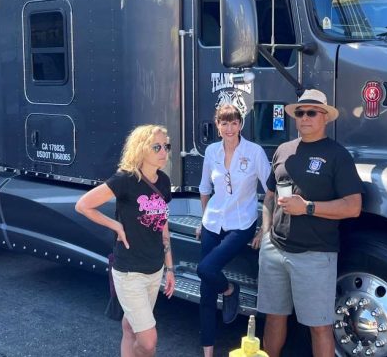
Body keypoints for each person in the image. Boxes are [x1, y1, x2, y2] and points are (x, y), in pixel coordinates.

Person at [254, 89, 363, 357]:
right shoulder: (283, 150)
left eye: (311, 112)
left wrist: (308, 208)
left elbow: (353, 206)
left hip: (315, 253)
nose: (304, 118)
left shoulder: (337, 155)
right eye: (300, 113)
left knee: (319, 326)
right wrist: (265, 232)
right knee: (274, 317)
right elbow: (269, 196)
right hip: (275, 249)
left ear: (324, 117)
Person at [75, 125, 175, 357]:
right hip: (130, 271)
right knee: (149, 341)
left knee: (131, 327)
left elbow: (163, 226)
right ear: (141, 149)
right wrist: (115, 225)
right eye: (157, 146)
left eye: (166, 146)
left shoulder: (163, 181)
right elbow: (83, 205)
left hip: (155, 269)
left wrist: (170, 268)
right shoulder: (125, 180)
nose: (164, 151)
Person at [197, 103, 271, 357]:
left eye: (234, 122)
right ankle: (208, 352)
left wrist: (264, 228)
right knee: (206, 289)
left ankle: (231, 290)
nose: (229, 128)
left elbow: (270, 189)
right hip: (213, 222)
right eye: (224, 123)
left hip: (241, 225)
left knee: (205, 269)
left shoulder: (254, 152)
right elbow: (205, 188)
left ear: (241, 125)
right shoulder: (211, 151)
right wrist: (203, 219)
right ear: (217, 126)